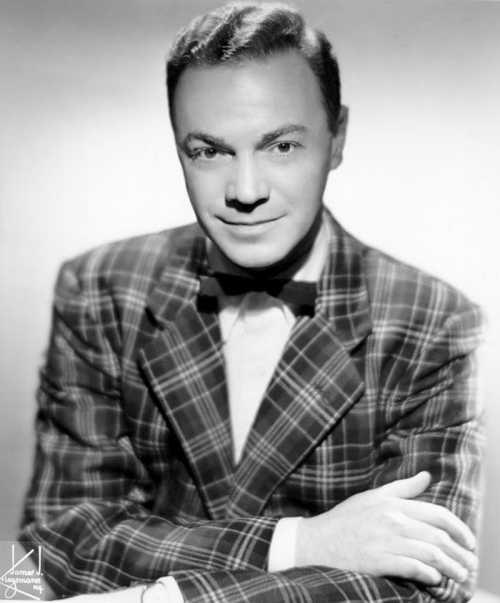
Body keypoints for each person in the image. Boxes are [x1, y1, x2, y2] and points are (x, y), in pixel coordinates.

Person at [19, 2, 483, 602]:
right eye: (209, 152)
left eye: (282, 147)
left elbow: (427, 583)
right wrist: (300, 544)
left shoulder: (435, 321)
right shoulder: (102, 287)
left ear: (337, 138)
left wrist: (165, 595)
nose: (245, 191)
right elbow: (47, 550)